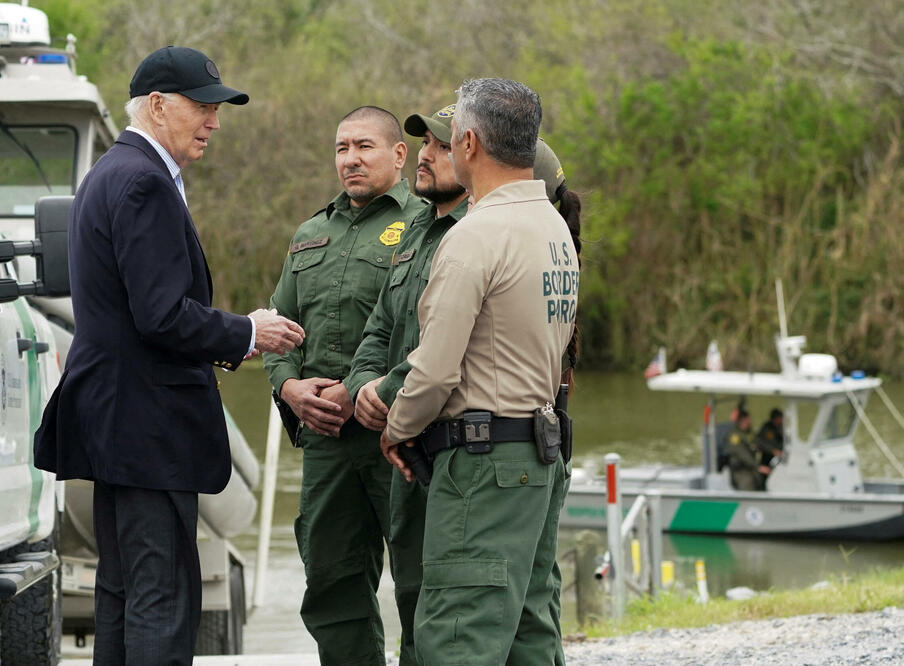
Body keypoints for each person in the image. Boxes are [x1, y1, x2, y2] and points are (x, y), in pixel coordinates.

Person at [33, 46, 305, 663]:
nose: (214, 121)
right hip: (147, 429)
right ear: (158, 106)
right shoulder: (143, 183)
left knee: (123, 594)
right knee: (163, 599)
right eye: (203, 107)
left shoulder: (109, 172)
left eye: (218, 109)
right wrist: (246, 331)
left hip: (114, 426)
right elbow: (160, 316)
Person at [345, 97, 581, 663]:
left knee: (458, 636)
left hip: (481, 466)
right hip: (537, 454)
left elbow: (435, 368)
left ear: (470, 144)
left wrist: (396, 427)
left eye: (447, 141)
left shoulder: (476, 235)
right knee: (528, 632)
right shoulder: (552, 229)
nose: (440, 150)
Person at [263, 106, 423, 664]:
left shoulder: (428, 224)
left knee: (420, 583)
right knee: (331, 585)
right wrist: (289, 389)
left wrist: (366, 391)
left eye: (364, 147)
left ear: (399, 155)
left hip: (398, 438)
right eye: (340, 149)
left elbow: (436, 332)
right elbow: (278, 330)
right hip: (326, 444)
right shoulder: (310, 233)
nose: (349, 160)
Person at [725, 410, 771, 491]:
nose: (750, 421)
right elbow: (743, 455)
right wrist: (758, 467)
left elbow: (759, 442)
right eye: (748, 420)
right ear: (742, 421)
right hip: (741, 470)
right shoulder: (734, 436)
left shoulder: (748, 432)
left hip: (751, 467)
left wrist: (774, 450)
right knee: (749, 484)